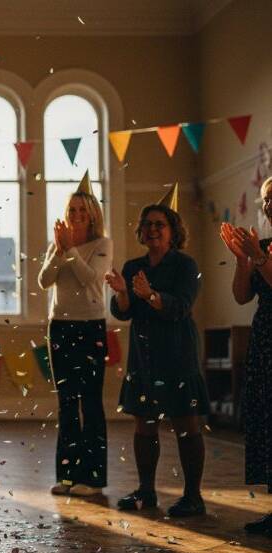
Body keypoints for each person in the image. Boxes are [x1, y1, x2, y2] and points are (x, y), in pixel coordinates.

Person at [106, 185, 210, 517]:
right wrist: (124, 293)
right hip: (144, 355)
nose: (152, 229)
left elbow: (181, 306)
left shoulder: (186, 264)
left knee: (186, 425)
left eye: (159, 224)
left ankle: (193, 496)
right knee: (145, 426)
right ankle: (146, 490)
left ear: (172, 231)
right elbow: (123, 312)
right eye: (147, 224)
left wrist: (150, 295)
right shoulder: (134, 265)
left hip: (178, 353)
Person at [37, 173, 112, 497]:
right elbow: (44, 280)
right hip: (61, 326)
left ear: (93, 214)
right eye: (72, 210)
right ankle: (66, 476)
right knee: (67, 402)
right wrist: (59, 250)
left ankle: (92, 479)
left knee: (91, 401)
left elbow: (90, 279)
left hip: (90, 325)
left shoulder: (102, 245)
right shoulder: (59, 246)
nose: (77, 215)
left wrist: (70, 251)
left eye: (83, 210)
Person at [220, 176, 272, 536]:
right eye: (266, 198)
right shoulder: (263, 245)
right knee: (266, 419)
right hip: (265, 338)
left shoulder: (262, 250)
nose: (268, 204)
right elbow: (241, 296)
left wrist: (258, 257)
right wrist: (243, 260)